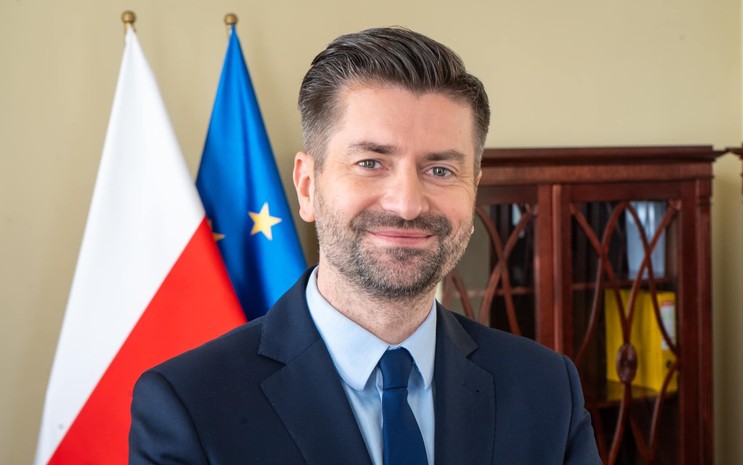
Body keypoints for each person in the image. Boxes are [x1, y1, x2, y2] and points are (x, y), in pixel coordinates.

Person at [129, 27, 601, 465]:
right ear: (308, 186)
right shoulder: (189, 403)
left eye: (440, 170)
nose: (408, 204)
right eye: (371, 163)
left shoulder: (547, 389)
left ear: (472, 191)